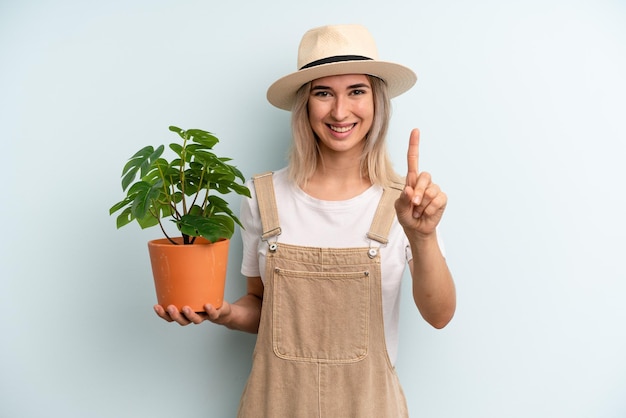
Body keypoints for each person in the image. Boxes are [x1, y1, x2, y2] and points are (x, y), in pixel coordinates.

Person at [154, 23, 456, 417]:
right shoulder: (264, 197)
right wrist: (226, 314)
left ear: (377, 101)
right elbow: (264, 307)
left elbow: (440, 315)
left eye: (356, 91)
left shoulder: (406, 204)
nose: (340, 110)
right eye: (323, 92)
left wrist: (423, 236)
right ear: (305, 105)